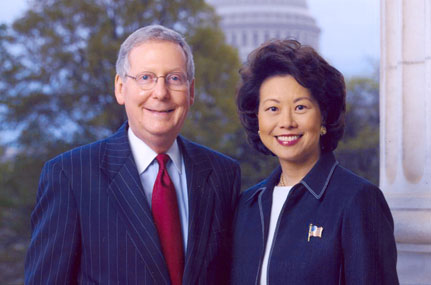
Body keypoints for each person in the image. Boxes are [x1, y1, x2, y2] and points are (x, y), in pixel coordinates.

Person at [25, 25, 240, 284]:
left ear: (191, 91)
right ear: (120, 88)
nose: (160, 93)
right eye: (146, 78)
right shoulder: (71, 176)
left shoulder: (222, 174)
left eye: (174, 78)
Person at [231, 39, 398, 284]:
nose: (286, 122)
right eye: (272, 109)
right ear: (257, 120)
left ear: (324, 115)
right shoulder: (247, 205)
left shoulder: (358, 200)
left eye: (300, 107)